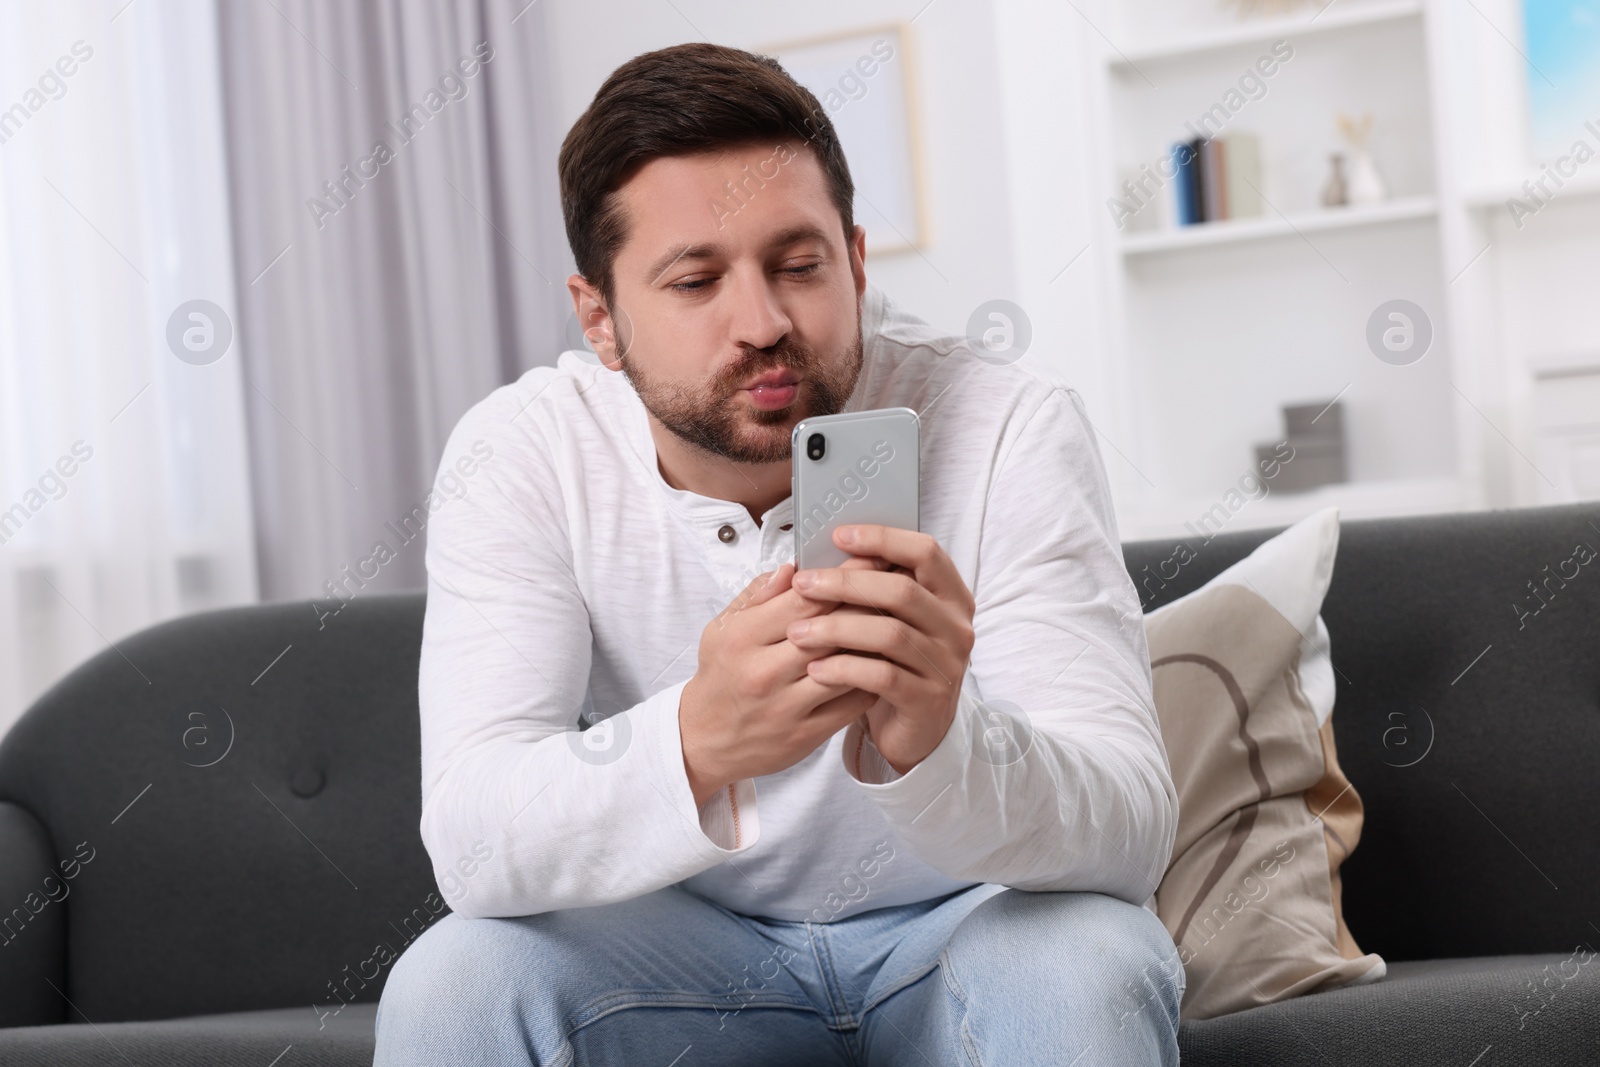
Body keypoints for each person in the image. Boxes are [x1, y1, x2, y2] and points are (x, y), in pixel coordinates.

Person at [373, 41, 1184, 1066]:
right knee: (454, 983)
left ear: (853, 260)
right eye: (695, 281)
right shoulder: (522, 452)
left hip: (968, 934)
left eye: (798, 266)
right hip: (683, 962)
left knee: (1086, 962)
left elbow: (1130, 827)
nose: (761, 323)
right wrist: (696, 738)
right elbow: (473, 841)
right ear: (600, 319)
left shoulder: (1007, 424)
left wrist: (943, 738)